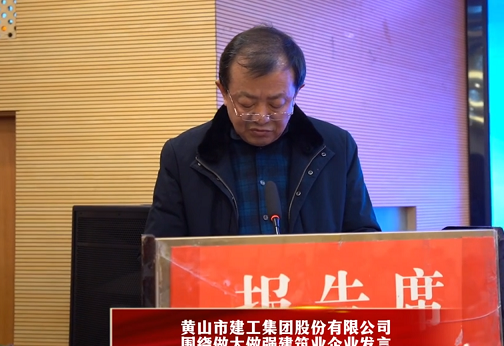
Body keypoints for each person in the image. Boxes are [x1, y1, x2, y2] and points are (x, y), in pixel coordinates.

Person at [144, 25, 380, 237]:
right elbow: (159, 254)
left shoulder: (337, 148)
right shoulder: (182, 155)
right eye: (246, 104)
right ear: (224, 92)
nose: (261, 117)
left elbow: (364, 239)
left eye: (276, 104)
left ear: (296, 92)